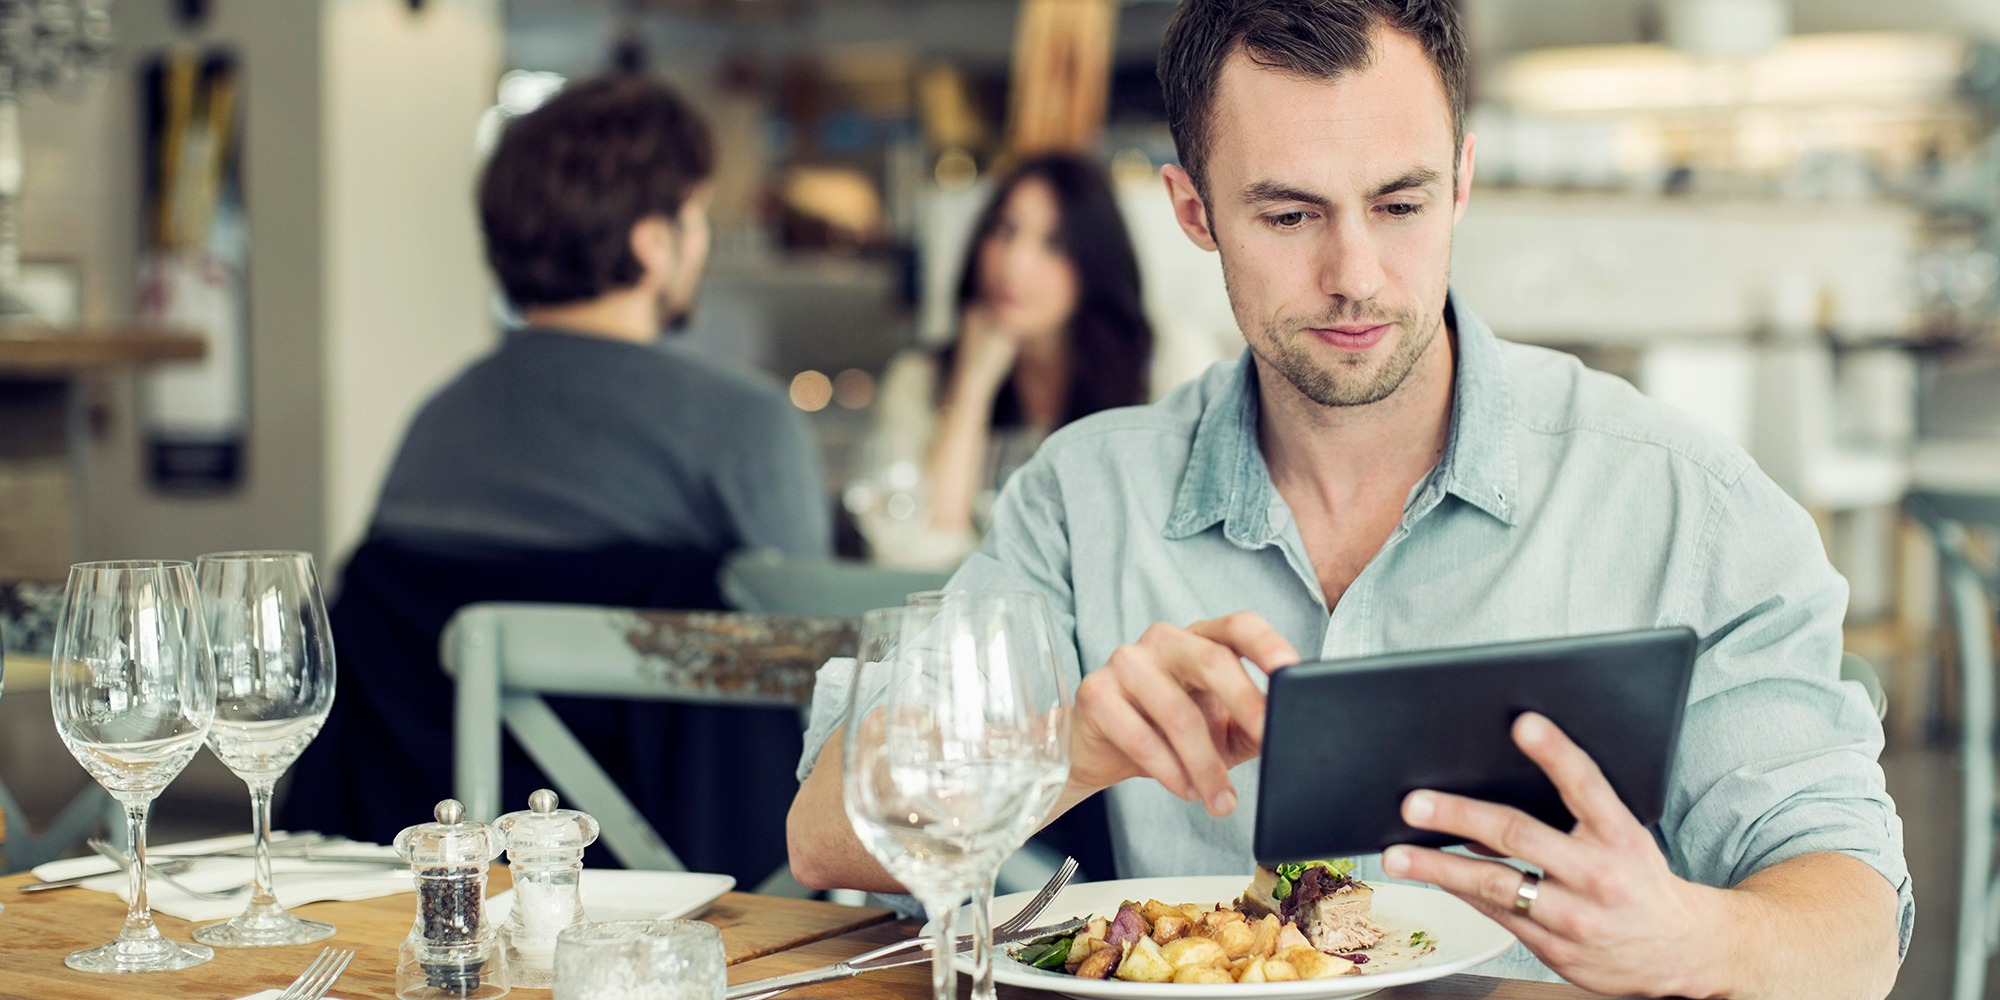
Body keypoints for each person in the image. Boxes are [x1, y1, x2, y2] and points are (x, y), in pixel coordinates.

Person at [786, 2, 1910, 995]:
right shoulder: (1087, 493)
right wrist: (1064, 745)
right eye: (1287, 215)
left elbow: (1854, 931)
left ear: (1459, 182)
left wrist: (1694, 937)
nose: (1356, 274)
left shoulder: (1681, 502)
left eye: (1400, 203)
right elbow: (829, 837)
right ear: (1193, 212)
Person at [369, 74, 830, 558]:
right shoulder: (747, 428)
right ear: (653, 241)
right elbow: (811, 631)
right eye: (696, 217)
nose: (702, 243)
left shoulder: (436, 426)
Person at [858, 153, 1152, 569]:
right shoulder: (918, 378)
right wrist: (972, 387)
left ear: (1094, 260)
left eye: (1055, 244)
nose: (1014, 264)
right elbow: (912, 557)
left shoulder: (1162, 366)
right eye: (1004, 230)